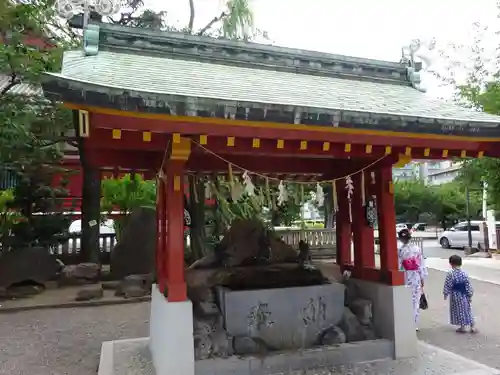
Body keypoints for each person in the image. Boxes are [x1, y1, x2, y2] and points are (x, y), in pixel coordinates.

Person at [397, 228, 427, 331]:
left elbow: (399, 265)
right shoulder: (417, 249)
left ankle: (406, 322)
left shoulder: (401, 250)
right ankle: (414, 324)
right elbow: (421, 264)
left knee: (406, 299)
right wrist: (422, 277)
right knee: (415, 300)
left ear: (401, 239)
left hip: (405, 275)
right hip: (416, 276)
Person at [443, 255, 476, 333]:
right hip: (464, 294)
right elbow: (467, 285)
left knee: (459, 310)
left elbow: (448, 284)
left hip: (455, 295)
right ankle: (472, 326)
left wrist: (445, 293)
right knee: (467, 309)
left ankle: (462, 327)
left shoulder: (450, 274)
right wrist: (470, 294)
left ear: (451, 264)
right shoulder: (464, 273)